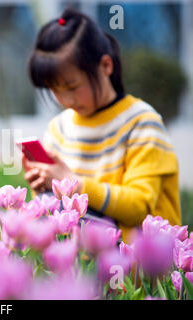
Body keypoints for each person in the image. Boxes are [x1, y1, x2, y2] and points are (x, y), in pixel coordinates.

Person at [22, 7, 181, 243]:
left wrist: (75, 186)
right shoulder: (59, 128)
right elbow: (59, 217)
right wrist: (44, 184)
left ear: (106, 66)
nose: (66, 100)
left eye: (73, 87)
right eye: (55, 90)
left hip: (140, 268)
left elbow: (139, 207)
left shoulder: (141, 123)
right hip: (81, 263)